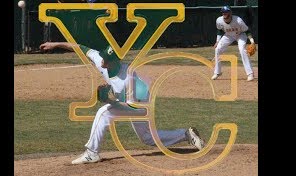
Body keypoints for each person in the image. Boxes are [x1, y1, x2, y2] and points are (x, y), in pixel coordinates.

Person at [40, 42, 205, 164]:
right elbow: (81, 48)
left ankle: (92, 153)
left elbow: (132, 106)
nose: (101, 59)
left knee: (104, 112)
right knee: (147, 138)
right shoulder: (103, 61)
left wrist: (110, 101)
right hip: (129, 100)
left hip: (140, 103)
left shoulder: (128, 78)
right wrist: (56, 44)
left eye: (105, 58)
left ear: (112, 61)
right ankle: (186, 134)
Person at [211, 5, 256, 81]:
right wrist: (217, 41)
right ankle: (217, 72)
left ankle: (250, 74)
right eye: (223, 12)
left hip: (240, 35)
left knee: (242, 50)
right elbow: (219, 30)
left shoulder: (238, 20)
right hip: (228, 35)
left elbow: (247, 31)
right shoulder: (219, 20)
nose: (224, 13)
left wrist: (252, 42)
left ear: (230, 12)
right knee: (217, 49)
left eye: (226, 12)